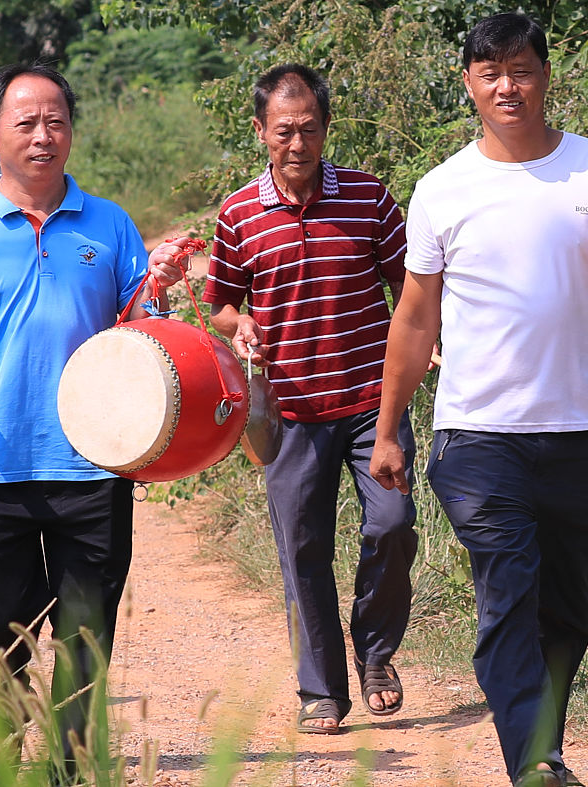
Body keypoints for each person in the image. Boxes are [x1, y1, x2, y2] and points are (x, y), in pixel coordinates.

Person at [0, 63, 191, 777]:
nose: (42, 135)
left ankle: (70, 765)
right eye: (25, 122)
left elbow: (140, 328)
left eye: (55, 120)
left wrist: (161, 285)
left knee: (87, 632)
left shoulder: (110, 223)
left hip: (95, 461)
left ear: (72, 131)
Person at [370, 13, 588, 787]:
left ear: (545, 75)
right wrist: (389, 430)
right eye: (491, 74)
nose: (508, 86)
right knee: (508, 590)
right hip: (479, 434)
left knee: (564, 611)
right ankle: (536, 763)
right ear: (469, 85)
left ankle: (541, 743)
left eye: (520, 70)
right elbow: (416, 319)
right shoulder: (444, 187)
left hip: (583, 426)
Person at [204, 64, 418, 734]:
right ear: (261, 130)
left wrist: (429, 340)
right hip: (289, 412)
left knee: (393, 524)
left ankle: (376, 650)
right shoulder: (239, 213)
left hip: (371, 406)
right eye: (283, 131)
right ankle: (320, 690)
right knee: (303, 548)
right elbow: (221, 304)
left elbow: (411, 288)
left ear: (328, 127)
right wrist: (237, 326)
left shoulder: (368, 198)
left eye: (309, 130)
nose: (297, 144)